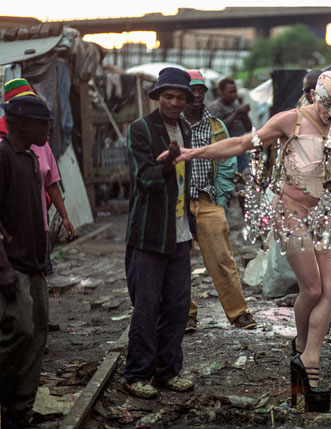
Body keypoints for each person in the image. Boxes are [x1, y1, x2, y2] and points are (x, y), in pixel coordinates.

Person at [159, 71, 331, 411]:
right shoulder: (290, 120)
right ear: (314, 95)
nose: (330, 113)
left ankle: (306, 357)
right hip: (291, 210)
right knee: (312, 289)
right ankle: (305, 351)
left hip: (323, 211)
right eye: (325, 104)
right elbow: (243, 144)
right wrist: (190, 153)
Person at [123, 67, 196, 399]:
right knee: (147, 305)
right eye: (168, 95)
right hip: (150, 234)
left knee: (178, 307)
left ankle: (168, 371)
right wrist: (167, 164)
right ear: (157, 97)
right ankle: (136, 373)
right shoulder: (140, 129)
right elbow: (144, 180)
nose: (174, 102)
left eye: (180, 97)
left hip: (180, 233)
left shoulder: (187, 130)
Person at [182, 70, 256, 332]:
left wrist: (221, 199)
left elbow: (227, 163)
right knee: (180, 263)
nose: (197, 93)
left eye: (201, 89)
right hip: (180, 205)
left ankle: (238, 314)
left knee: (222, 261)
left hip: (209, 201)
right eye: (192, 89)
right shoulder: (172, 124)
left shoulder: (216, 126)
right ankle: (186, 316)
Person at [0, 78, 75, 335]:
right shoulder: (5, 152)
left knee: (36, 299)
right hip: (13, 243)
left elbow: (52, 183)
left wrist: (65, 217)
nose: (47, 129)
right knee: (17, 319)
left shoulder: (38, 151)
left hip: (37, 230)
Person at [0, 95, 52, 427]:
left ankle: (19, 410)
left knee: (36, 336)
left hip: (34, 265)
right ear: (20, 123)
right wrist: (3, 267)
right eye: (41, 122)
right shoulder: (3, 155)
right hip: (12, 266)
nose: (48, 128)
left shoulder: (30, 157)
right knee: (17, 333)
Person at [209, 78, 252, 173]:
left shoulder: (236, 104)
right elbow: (219, 129)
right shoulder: (215, 107)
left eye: (235, 92)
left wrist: (245, 114)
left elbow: (248, 128)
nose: (234, 95)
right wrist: (236, 114)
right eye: (230, 92)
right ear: (220, 92)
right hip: (227, 148)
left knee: (244, 175)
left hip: (240, 146)